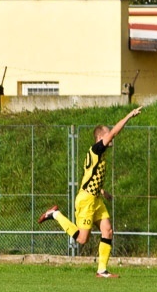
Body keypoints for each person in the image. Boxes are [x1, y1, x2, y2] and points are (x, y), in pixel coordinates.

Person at [38, 106, 143, 278]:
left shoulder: (98, 154)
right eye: (107, 134)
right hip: (86, 200)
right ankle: (55, 214)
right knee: (82, 239)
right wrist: (129, 115)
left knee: (107, 231)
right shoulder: (96, 148)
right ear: (101, 137)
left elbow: (91, 176)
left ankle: (102, 270)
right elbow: (114, 132)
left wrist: (102, 191)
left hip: (95, 199)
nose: (111, 136)